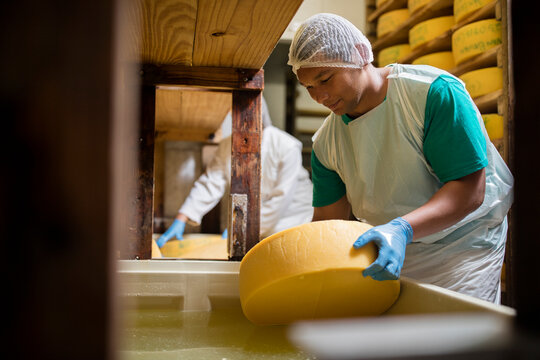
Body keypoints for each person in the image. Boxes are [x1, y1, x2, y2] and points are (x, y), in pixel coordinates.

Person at [287, 13, 513, 303]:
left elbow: (469, 191)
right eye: (309, 87)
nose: (319, 97)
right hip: (394, 251)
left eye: (325, 79)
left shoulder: (431, 94)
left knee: (453, 341)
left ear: (358, 55)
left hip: (464, 247)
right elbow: (327, 223)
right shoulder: (326, 145)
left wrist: (402, 228)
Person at [157, 96, 314, 247]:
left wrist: (242, 228)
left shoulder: (286, 146)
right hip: (258, 223)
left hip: (292, 220)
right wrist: (182, 218)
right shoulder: (227, 146)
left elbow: (281, 198)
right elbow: (211, 182)